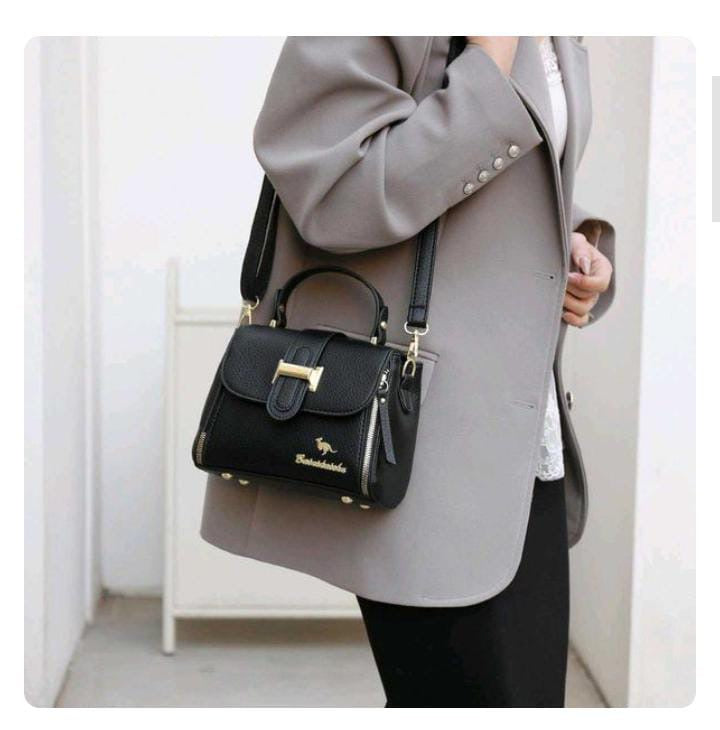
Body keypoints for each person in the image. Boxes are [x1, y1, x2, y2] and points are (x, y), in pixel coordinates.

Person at [201, 36, 615, 707]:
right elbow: (332, 193)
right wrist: (486, 65)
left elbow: (516, 167)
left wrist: (569, 243)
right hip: (418, 441)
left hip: (520, 437)